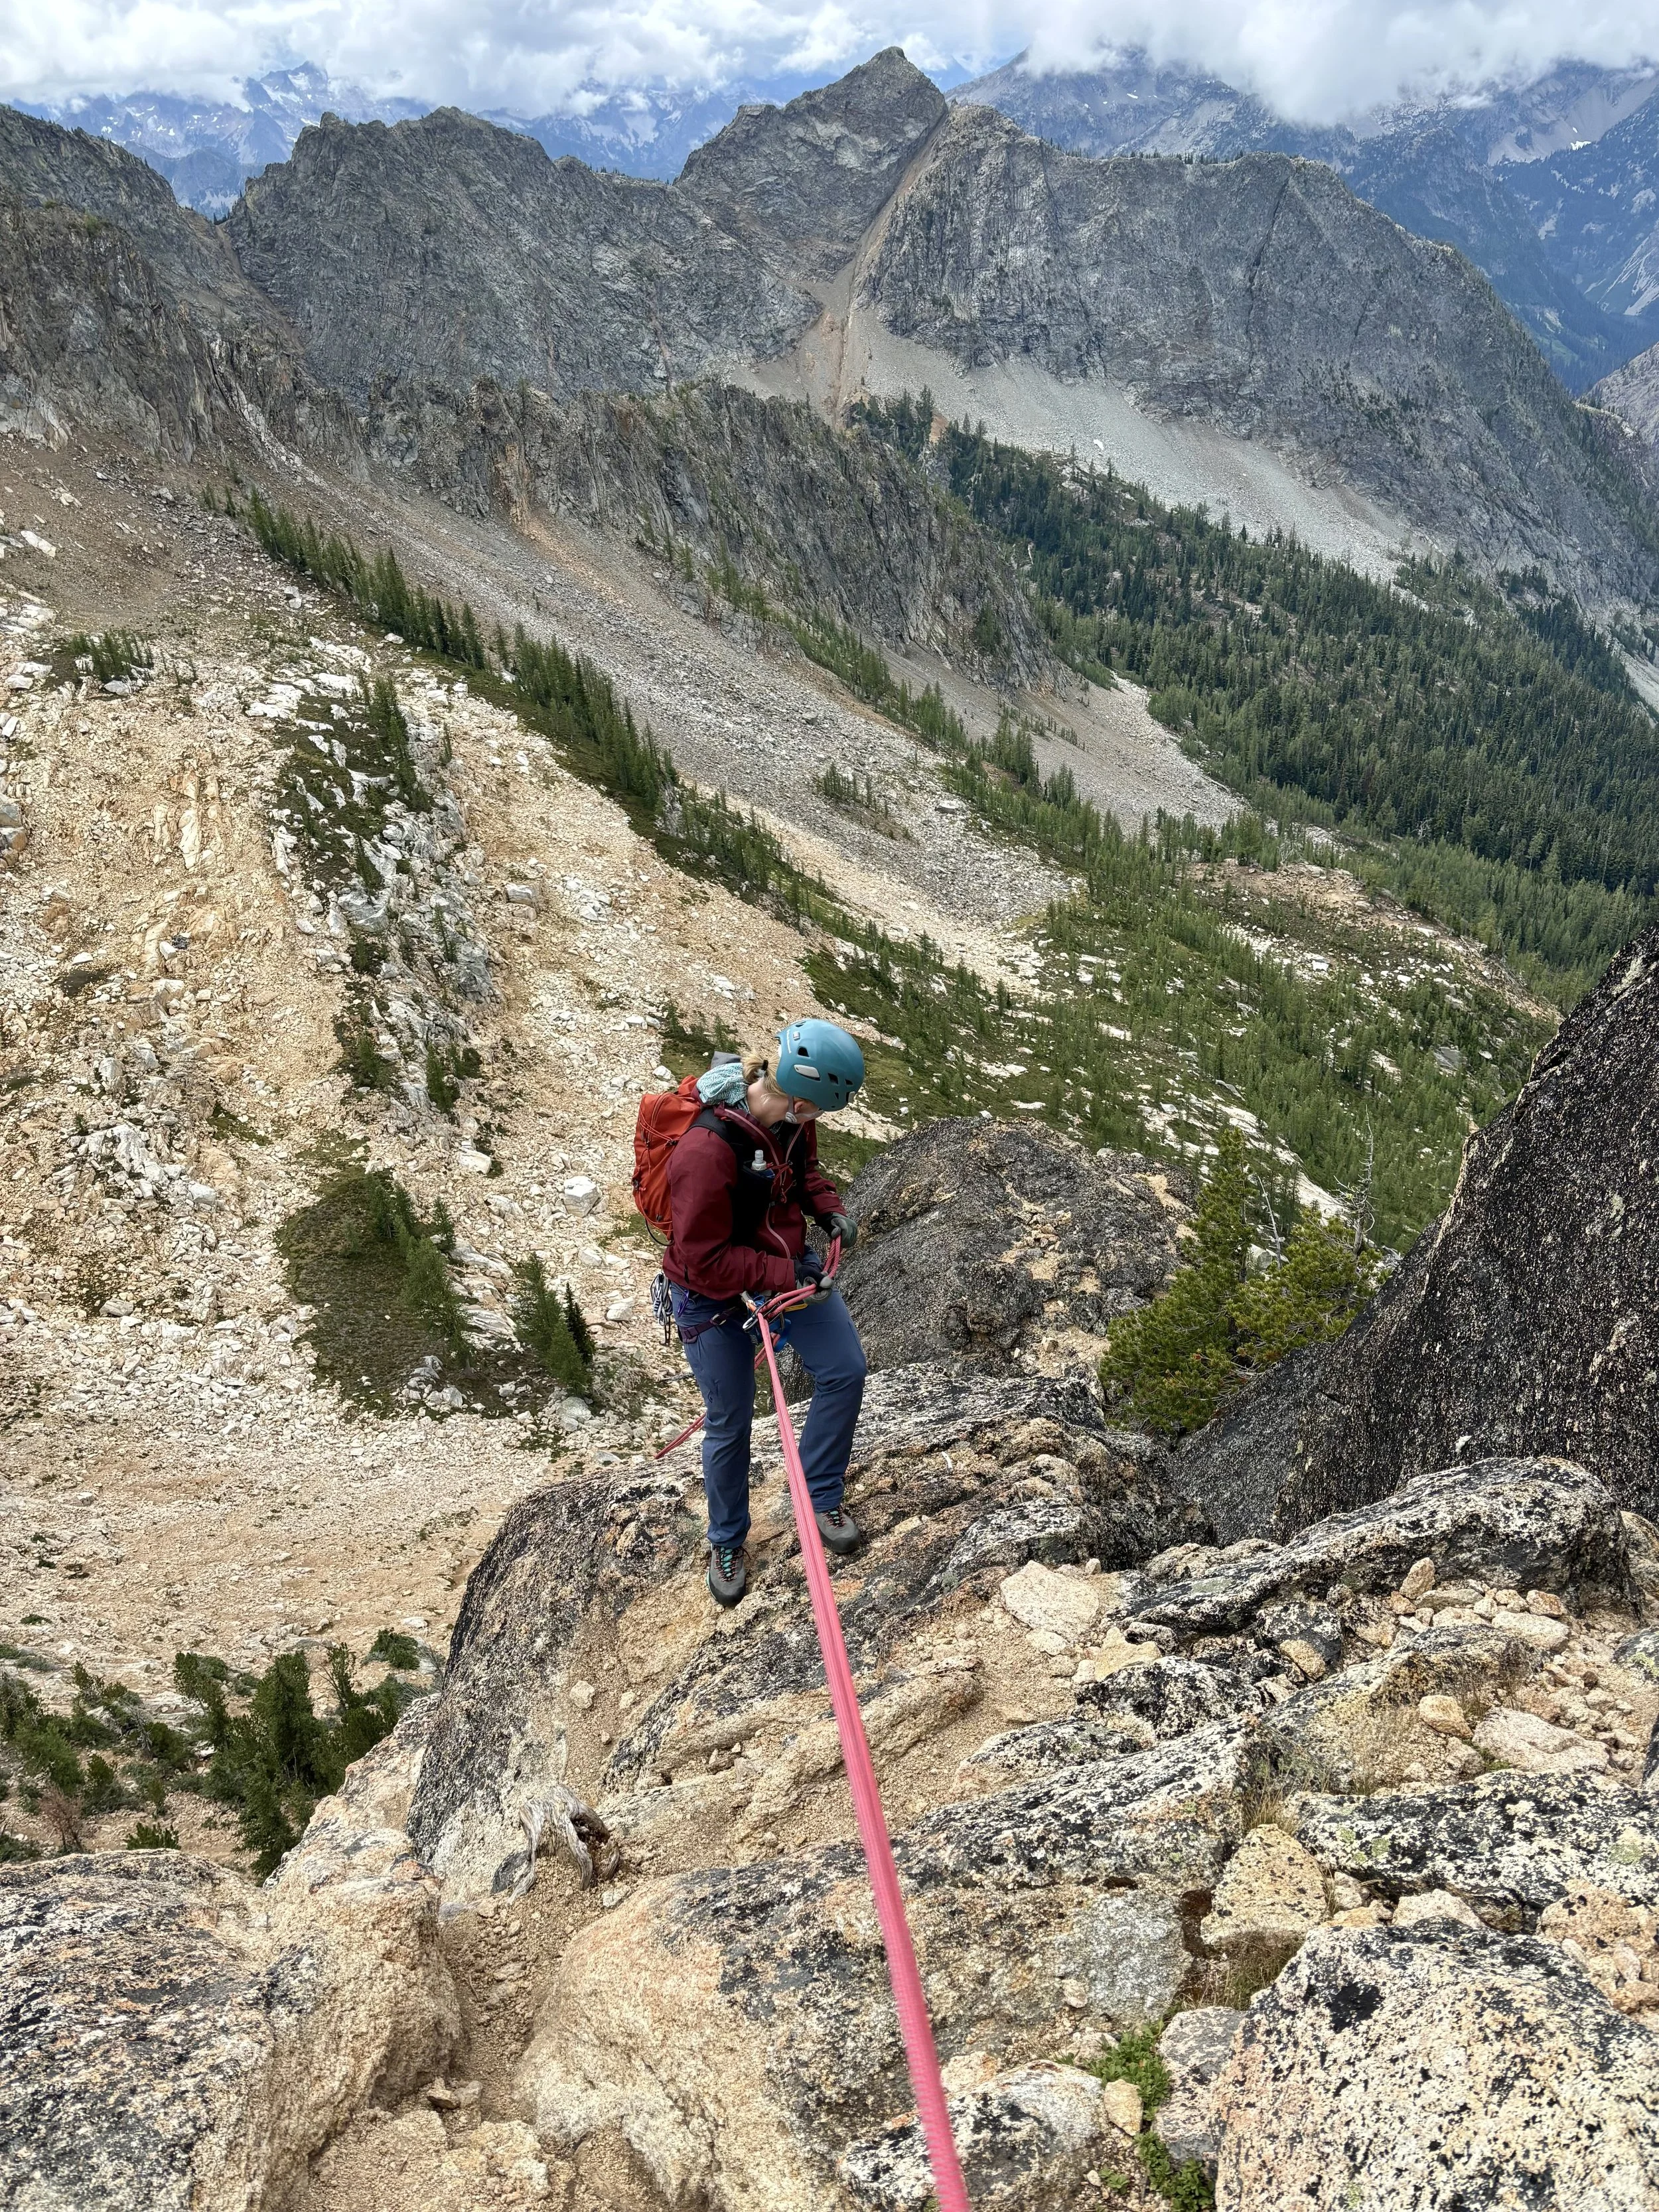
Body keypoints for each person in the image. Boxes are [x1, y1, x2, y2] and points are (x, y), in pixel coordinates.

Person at [663, 1019, 868, 1607]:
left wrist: (828, 1210)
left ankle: (819, 1491)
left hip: (784, 1268)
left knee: (844, 1370)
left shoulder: (792, 1124)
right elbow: (702, 1261)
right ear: (802, 1098)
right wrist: (788, 1275)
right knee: (730, 1418)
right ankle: (726, 1540)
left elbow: (802, 1177)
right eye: (819, 1111)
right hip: (710, 1293)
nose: (817, 1123)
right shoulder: (705, 1150)